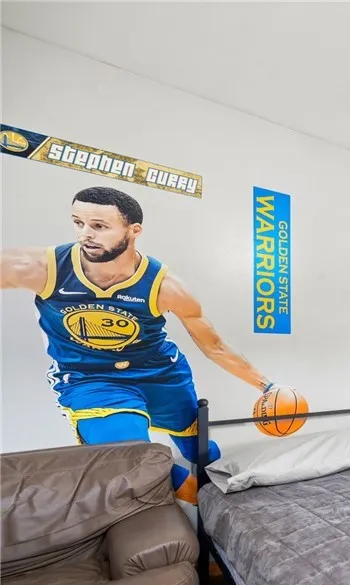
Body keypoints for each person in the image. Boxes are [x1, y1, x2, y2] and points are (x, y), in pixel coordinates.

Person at [1, 185, 278, 503]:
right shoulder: (42, 268)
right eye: (79, 223)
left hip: (160, 374)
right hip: (91, 378)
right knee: (133, 459)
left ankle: (219, 487)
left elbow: (214, 346)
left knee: (200, 451)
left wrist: (268, 386)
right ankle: (215, 511)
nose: (85, 234)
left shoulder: (165, 286)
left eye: (99, 226)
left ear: (134, 231)